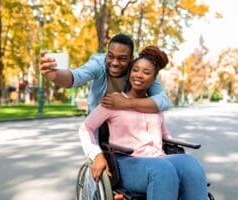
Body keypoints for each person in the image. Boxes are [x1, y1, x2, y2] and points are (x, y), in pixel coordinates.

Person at [79, 45, 208, 200]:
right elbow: (86, 128)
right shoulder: (113, 101)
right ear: (129, 73)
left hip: (159, 159)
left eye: (146, 72)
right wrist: (96, 154)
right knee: (162, 170)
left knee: (190, 164)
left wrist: (173, 150)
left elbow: (165, 135)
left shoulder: (154, 106)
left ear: (153, 79)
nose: (139, 75)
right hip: (126, 162)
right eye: (135, 70)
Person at [39, 33, 170, 114]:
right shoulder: (98, 64)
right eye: (110, 56)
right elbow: (75, 77)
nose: (114, 62)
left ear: (131, 59)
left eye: (122, 58)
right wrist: (55, 76)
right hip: (99, 124)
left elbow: (163, 101)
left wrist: (126, 102)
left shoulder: (137, 71)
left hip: (126, 127)